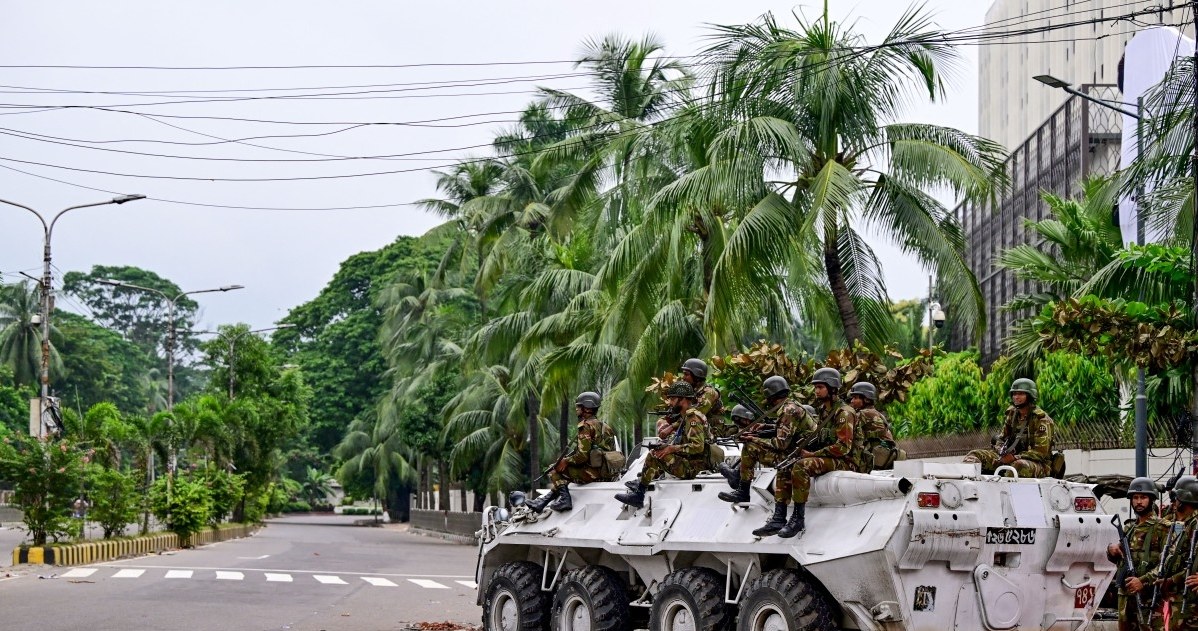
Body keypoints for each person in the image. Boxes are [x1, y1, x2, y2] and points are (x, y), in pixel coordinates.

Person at [720, 376, 815, 538]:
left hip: (799, 454)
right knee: (758, 450)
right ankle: (750, 495)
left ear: (771, 396)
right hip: (795, 452)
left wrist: (753, 438)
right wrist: (765, 427)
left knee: (751, 447)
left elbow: (780, 444)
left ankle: (747, 493)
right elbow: (787, 430)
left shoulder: (788, 410)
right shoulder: (789, 406)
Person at [777, 367, 858, 539]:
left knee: (800, 467)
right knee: (786, 466)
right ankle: (779, 516)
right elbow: (821, 438)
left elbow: (843, 447)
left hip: (846, 460)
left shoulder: (844, 413)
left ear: (832, 388)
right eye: (815, 387)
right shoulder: (823, 411)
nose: (816, 391)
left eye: (820, 387)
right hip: (829, 457)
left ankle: (798, 519)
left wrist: (812, 455)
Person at [615, 382, 710, 509]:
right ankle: (639, 490)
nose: (670, 402)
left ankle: (639, 494)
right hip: (688, 463)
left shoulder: (693, 419)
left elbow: (698, 446)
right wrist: (666, 445)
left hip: (693, 468)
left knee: (656, 455)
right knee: (655, 452)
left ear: (682, 400)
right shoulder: (686, 417)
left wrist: (671, 448)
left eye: (672, 399)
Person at [527, 391, 617, 513]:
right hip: (607, 472)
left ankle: (565, 501)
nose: (576, 409)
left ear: (587, 408)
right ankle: (542, 502)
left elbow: (582, 456)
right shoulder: (605, 426)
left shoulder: (585, 427)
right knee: (563, 478)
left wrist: (566, 461)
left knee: (555, 470)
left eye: (579, 406)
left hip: (594, 473)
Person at [1107, 477, 1174, 631]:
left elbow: (1168, 563)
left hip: (1150, 598)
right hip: (1125, 597)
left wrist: (1142, 581)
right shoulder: (1129, 528)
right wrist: (1112, 551)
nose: (1138, 502)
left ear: (1152, 499)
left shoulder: (1163, 528)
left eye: (1143, 497)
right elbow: (1119, 560)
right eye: (1135, 498)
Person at [963, 378, 1054, 477]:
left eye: (1021, 394)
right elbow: (1001, 439)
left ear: (1030, 395)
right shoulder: (1012, 414)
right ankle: (971, 489)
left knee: (1018, 465)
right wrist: (1001, 450)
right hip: (1009, 458)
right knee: (975, 455)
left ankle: (1002, 492)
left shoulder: (1041, 419)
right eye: (1014, 394)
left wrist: (1015, 457)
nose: (1016, 397)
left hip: (1038, 465)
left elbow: (1040, 453)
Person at [847, 382, 897, 473]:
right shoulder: (878, 413)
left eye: (855, 398)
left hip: (875, 459)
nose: (852, 401)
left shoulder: (864, 414)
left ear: (866, 399)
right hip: (886, 458)